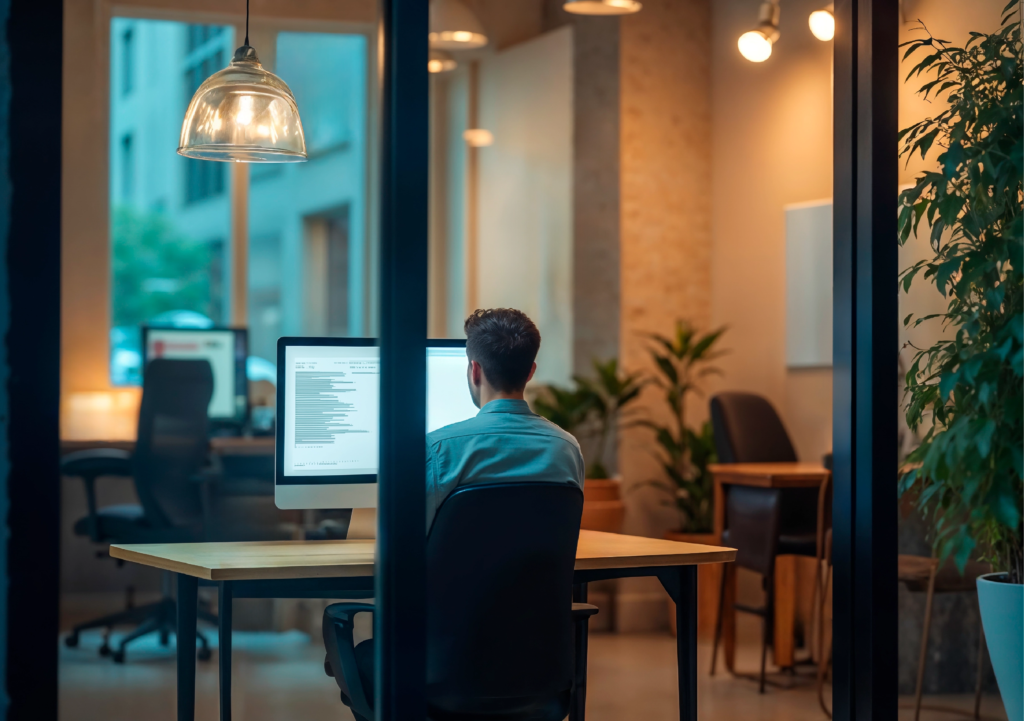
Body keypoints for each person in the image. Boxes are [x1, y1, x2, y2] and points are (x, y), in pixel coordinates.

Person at [425, 307, 585, 529]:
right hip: (538, 566)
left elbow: (409, 540)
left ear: (475, 371)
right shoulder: (567, 448)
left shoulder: (437, 449)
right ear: (530, 372)